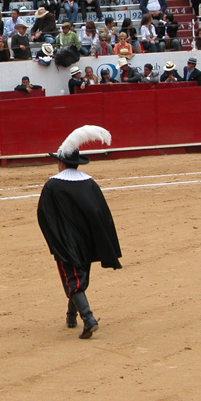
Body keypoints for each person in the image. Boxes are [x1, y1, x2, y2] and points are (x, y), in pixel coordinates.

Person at [37, 126, 121, 339]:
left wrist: (55, 242)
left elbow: (45, 216)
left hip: (66, 241)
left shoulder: (53, 185)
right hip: (87, 241)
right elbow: (101, 213)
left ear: (61, 163)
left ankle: (89, 319)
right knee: (78, 277)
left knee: (72, 279)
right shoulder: (89, 183)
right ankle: (71, 317)